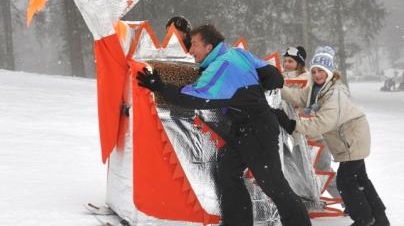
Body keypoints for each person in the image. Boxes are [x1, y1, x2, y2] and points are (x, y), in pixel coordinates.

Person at [137, 24, 311, 226]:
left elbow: (196, 97)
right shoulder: (237, 54)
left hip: (258, 130)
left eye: (194, 45)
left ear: (209, 47)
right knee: (228, 171)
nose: (190, 51)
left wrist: (160, 87)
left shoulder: (222, 66)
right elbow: (273, 75)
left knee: (273, 185)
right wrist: (251, 85)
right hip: (245, 129)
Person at [274, 46, 390, 226]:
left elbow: (321, 123)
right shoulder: (316, 89)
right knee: (360, 179)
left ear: (329, 72)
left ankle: (364, 219)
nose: (317, 74)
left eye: (321, 71)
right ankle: (379, 219)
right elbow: (297, 97)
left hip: (351, 137)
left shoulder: (333, 94)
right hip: (349, 137)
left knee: (345, 180)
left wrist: (291, 124)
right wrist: (279, 86)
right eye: (314, 71)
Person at [283, 46, 342, 201]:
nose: (286, 64)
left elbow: (301, 92)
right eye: (285, 61)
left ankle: (346, 198)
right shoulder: (283, 78)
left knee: (322, 170)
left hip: (316, 135)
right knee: (302, 170)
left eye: (290, 61)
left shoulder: (308, 78)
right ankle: (307, 198)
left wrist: (279, 81)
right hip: (297, 136)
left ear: (299, 63)